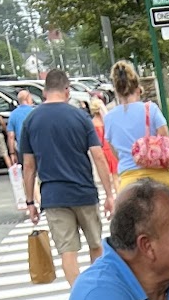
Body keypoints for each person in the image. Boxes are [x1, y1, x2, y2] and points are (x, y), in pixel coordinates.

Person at [20, 69, 116, 287]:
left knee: (67, 252)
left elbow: (29, 166)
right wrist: (109, 194)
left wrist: (30, 202)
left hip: (53, 196)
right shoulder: (80, 117)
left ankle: (78, 293)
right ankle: (98, 290)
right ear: (67, 90)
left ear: (44, 92)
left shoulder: (31, 120)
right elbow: (98, 156)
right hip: (84, 191)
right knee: (96, 245)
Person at [102, 60, 169, 203]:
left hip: (129, 181)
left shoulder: (109, 119)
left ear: (116, 91)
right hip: (159, 178)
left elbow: (116, 155)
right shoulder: (151, 110)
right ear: (137, 87)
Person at [88, 97, 118, 175]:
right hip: (109, 148)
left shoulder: (92, 123)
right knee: (115, 174)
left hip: (100, 149)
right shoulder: (106, 121)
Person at [5, 88, 36, 163]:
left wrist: (12, 153)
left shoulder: (13, 114)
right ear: (27, 99)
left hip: (22, 149)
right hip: (36, 148)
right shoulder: (34, 112)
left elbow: (11, 136)